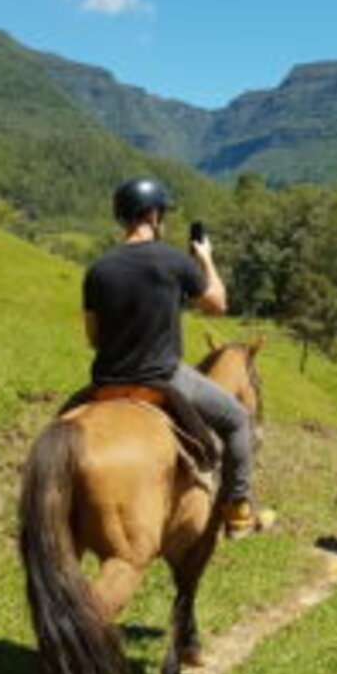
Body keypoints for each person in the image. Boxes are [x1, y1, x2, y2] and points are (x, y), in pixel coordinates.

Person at [82, 176, 258, 538]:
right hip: (163, 377)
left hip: (105, 382)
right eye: (162, 214)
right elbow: (217, 305)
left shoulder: (98, 270)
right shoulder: (176, 261)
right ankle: (238, 505)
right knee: (238, 419)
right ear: (152, 214)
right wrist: (206, 259)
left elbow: (94, 338)